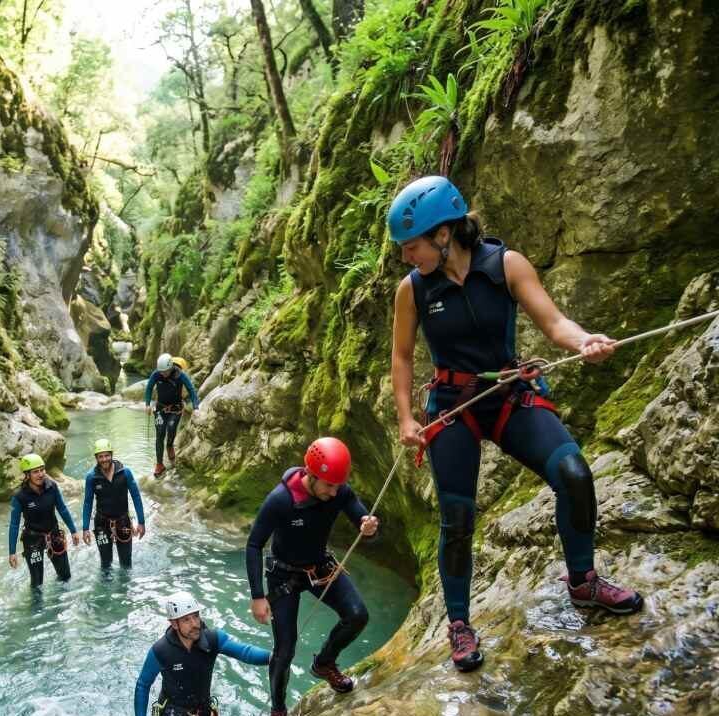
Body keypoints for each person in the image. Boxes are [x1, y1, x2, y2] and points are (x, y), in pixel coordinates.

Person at [387, 175, 643, 672]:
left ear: (443, 234)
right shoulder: (412, 290)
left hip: (508, 393)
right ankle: (459, 623)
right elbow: (400, 357)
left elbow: (553, 322)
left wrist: (584, 341)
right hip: (453, 406)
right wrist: (405, 417)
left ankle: (583, 581)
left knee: (573, 473)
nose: (405, 257)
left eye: (411, 246)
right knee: (457, 519)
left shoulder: (505, 265)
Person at [245, 438, 379, 713]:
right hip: (284, 576)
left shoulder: (338, 491)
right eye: (329, 485)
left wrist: (369, 527)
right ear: (311, 475)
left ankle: (324, 663)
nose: (334, 491)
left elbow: (360, 518)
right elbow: (254, 544)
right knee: (285, 650)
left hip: (319, 567)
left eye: (338, 485)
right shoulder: (281, 500)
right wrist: (258, 596)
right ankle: (279, 708)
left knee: (357, 615)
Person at [134, 591, 271, 716]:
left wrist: (274, 657)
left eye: (196, 616)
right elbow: (143, 685)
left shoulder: (213, 639)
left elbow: (245, 652)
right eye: (186, 619)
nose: (194, 624)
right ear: (174, 624)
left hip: (203, 710)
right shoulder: (161, 650)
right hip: (172, 712)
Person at [7, 453, 81, 587]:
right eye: (36, 472)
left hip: (54, 535)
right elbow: (14, 524)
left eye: (42, 470)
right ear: (27, 475)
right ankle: (37, 607)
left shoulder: (52, 486)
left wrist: (74, 531)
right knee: (37, 583)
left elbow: (62, 509)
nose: (40, 474)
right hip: (33, 539)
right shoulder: (20, 497)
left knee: (65, 576)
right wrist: (12, 552)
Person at [82, 438, 147, 569]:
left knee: (126, 563)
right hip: (101, 524)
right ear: (96, 458)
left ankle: (124, 589)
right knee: (105, 563)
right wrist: (85, 528)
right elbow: (87, 503)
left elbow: (136, 497)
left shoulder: (125, 472)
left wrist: (141, 522)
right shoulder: (92, 477)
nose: (104, 459)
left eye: (107, 455)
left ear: (111, 455)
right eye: (101, 456)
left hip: (123, 521)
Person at [144, 352, 200, 476]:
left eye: (165, 372)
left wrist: (196, 407)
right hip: (160, 408)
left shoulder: (180, 375)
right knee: (159, 433)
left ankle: (169, 446)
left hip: (176, 409)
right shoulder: (156, 374)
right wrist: (147, 404)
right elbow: (148, 388)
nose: (163, 374)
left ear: (171, 368)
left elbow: (191, 390)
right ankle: (159, 464)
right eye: (161, 372)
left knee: (171, 428)